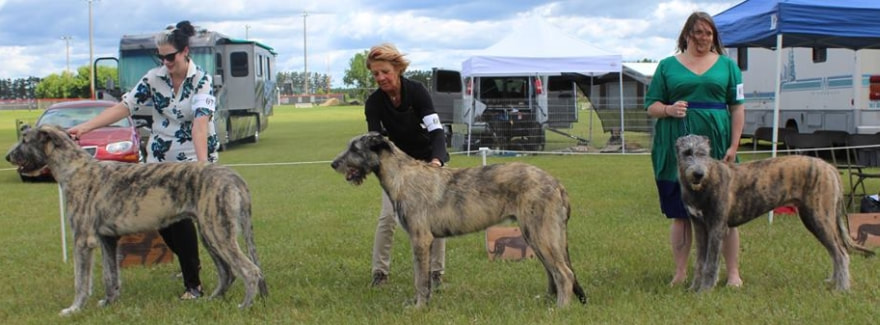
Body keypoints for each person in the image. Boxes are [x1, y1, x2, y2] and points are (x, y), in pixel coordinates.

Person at [68, 20, 217, 300]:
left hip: (189, 164)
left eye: (170, 56)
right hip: (157, 162)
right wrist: (86, 127)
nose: (165, 62)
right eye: (160, 56)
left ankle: (193, 285)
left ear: (185, 52)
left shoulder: (202, 81)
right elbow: (124, 106)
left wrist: (202, 168)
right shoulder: (152, 78)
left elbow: (200, 125)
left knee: (181, 220)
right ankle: (191, 266)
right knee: (161, 222)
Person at [645, 11, 745, 287]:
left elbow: (737, 107)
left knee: (725, 214)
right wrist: (668, 109)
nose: (703, 38)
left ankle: (733, 273)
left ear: (714, 36)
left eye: (708, 33)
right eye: (697, 32)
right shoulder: (667, 66)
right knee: (680, 215)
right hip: (676, 149)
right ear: (686, 34)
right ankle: (680, 273)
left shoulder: (728, 66)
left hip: (717, 147)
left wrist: (734, 145)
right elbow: (651, 105)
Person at [364, 43, 449, 287]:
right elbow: (376, 142)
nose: (380, 77)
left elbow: (436, 130)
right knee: (388, 217)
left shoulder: (417, 91)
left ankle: (435, 274)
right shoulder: (374, 103)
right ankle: (379, 274)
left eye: (385, 72)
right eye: (375, 73)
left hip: (427, 160)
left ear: (398, 69)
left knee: (434, 219)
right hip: (396, 167)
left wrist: (436, 161)